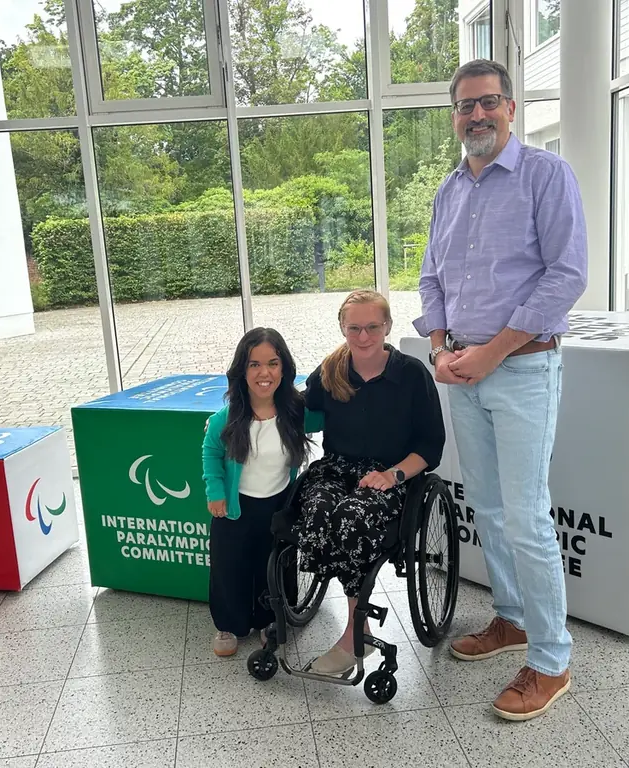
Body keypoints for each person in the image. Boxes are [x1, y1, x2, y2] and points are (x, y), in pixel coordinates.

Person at [415, 58, 588, 721]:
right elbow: (431, 278)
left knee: (526, 517)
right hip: (463, 373)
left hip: (521, 371)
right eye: (465, 106)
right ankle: (511, 619)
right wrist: (440, 348)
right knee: (487, 507)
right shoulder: (448, 190)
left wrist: (491, 352)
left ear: (511, 109)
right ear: (454, 117)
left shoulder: (547, 175)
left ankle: (551, 660)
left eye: (488, 102)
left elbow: (566, 275)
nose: (477, 114)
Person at [298, 289, 445, 676]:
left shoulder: (411, 374)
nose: (363, 337)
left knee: (352, 517)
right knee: (315, 510)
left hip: (391, 473)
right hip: (336, 468)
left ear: (388, 326)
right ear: (342, 328)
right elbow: (296, 408)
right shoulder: (331, 370)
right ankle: (357, 626)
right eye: (354, 328)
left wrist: (392, 475)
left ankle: (353, 635)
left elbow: (430, 445)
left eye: (373, 327)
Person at [201, 327, 320, 658]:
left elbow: (332, 416)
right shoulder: (227, 417)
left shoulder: (296, 413)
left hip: (278, 505)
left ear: (284, 368)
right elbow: (210, 452)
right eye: (254, 364)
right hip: (235, 508)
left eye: (272, 363)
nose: (263, 373)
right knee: (230, 567)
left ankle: (269, 620)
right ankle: (229, 624)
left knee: (273, 566)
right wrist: (215, 491)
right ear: (242, 370)